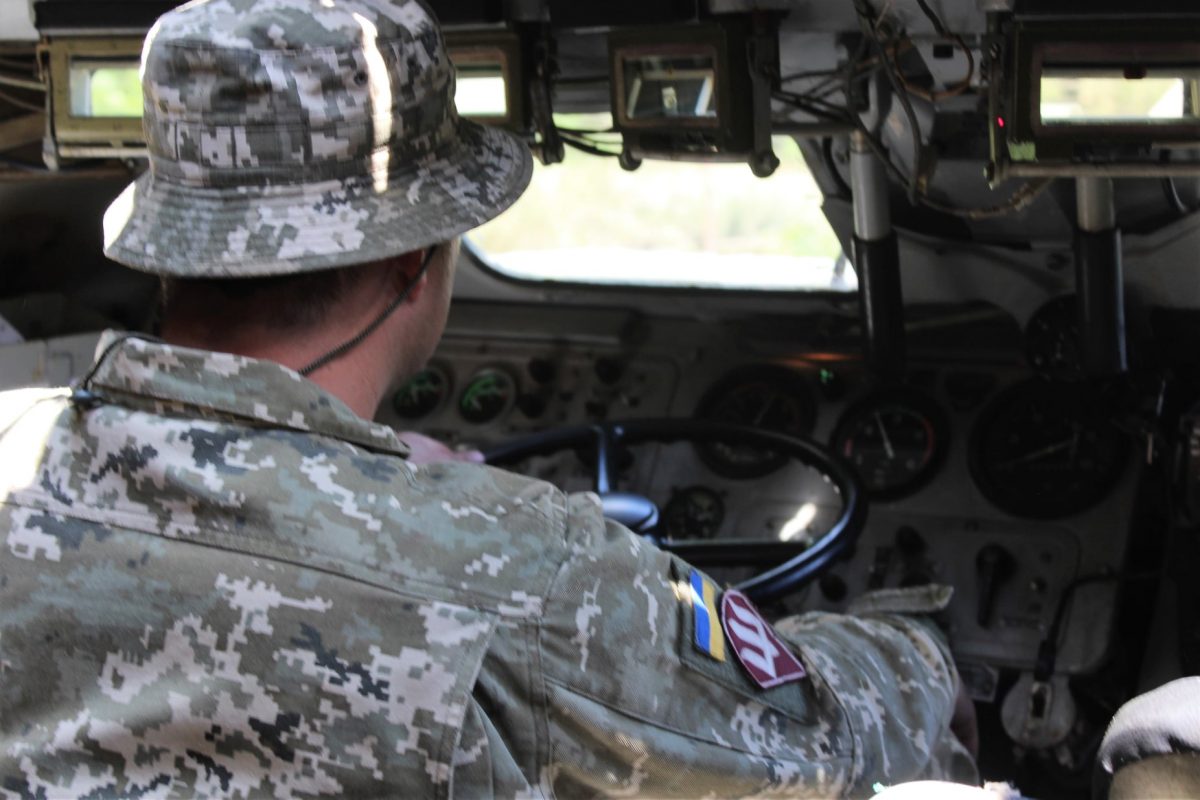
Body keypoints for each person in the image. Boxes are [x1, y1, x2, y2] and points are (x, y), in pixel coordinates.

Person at [0, 0, 978, 796]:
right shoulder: (522, 563)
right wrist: (916, 645)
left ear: (171, 246)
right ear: (420, 255)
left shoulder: (15, 453)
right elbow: (816, 743)